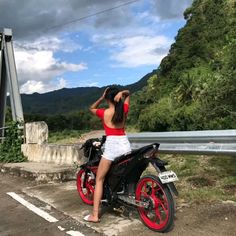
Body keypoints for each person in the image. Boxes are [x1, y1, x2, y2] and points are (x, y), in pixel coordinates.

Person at [83, 86, 131, 223]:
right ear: (117, 97)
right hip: (125, 145)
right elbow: (128, 95)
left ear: (108, 98)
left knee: (99, 179)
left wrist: (100, 98)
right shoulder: (124, 110)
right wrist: (123, 93)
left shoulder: (104, 113)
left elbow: (91, 108)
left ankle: (95, 215)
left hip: (112, 147)